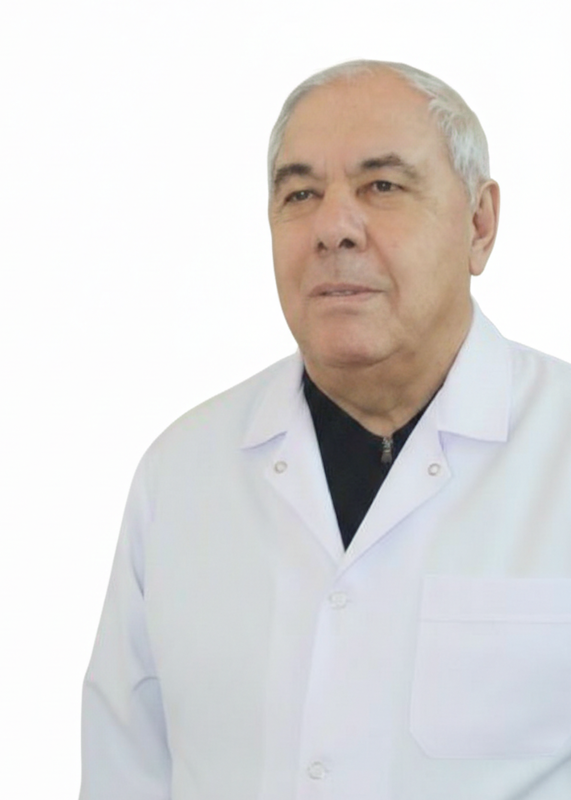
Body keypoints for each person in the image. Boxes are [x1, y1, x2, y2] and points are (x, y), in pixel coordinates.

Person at [79, 60, 571, 800]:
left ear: (480, 222)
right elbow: (126, 771)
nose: (333, 228)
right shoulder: (181, 474)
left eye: (383, 186)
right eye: (300, 194)